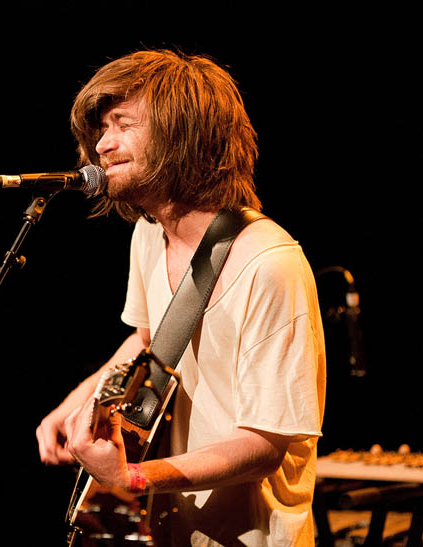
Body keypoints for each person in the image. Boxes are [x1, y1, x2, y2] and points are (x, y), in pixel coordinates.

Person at [35, 50, 326, 546]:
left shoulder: (270, 264)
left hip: (249, 534)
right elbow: (150, 340)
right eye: (102, 128)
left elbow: (266, 444)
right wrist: (78, 399)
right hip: (168, 527)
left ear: (183, 133)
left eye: (122, 124)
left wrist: (133, 478)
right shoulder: (149, 236)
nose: (102, 145)